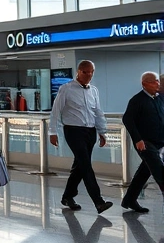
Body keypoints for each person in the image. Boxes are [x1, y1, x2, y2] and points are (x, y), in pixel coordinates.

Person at [49, 60, 112, 214]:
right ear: (78, 72)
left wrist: (102, 132)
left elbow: (97, 112)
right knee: (85, 165)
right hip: (73, 131)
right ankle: (98, 201)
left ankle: (67, 196)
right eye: (85, 72)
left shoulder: (94, 91)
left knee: (79, 166)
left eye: (91, 72)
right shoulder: (66, 89)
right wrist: (53, 132)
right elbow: (56, 111)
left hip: (90, 132)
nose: (88, 75)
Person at [121, 71, 164, 214]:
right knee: (160, 171)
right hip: (145, 143)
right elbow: (127, 119)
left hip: (158, 141)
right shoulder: (137, 100)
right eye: (153, 81)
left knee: (144, 172)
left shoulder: (159, 99)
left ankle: (129, 200)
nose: (157, 84)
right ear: (144, 84)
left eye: (157, 81)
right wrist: (137, 139)